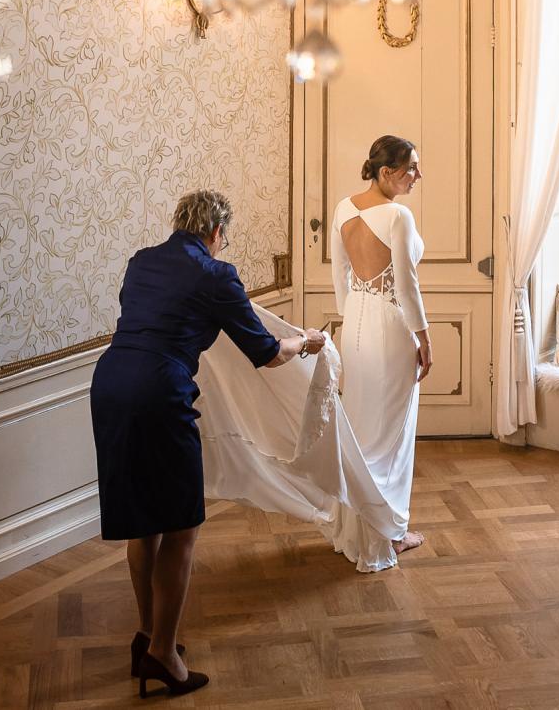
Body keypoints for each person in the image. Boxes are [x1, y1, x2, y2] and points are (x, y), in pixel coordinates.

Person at [91, 190, 326, 698]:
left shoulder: (141, 262)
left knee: (143, 523)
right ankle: (162, 655)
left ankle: (151, 636)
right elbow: (266, 353)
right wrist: (305, 342)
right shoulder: (217, 274)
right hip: (159, 393)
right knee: (181, 527)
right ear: (217, 233)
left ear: (180, 223)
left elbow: (154, 319)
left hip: (108, 385)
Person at [329, 134, 430, 560]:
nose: (417, 177)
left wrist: (351, 320)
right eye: (410, 170)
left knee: (361, 430)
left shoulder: (342, 208)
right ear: (386, 172)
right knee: (391, 434)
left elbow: (340, 283)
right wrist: (423, 338)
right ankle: (389, 532)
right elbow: (407, 288)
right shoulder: (397, 215)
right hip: (390, 328)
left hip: (354, 323)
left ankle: (357, 531)